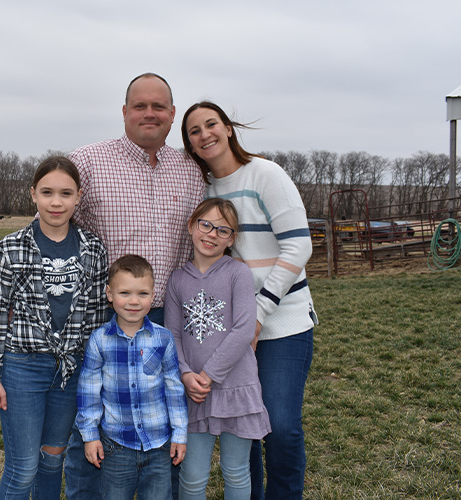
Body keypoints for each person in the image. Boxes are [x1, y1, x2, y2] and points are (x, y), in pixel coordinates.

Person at [64, 73, 205, 500]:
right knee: (89, 419)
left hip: (169, 316)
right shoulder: (87, 161)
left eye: (158, 107)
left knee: (166, 413)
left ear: (172, 114)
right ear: (124, 112)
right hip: (102, 314)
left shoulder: (191, 169)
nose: (149, 113)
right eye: (140, 106)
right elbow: (54, 222)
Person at [181, 102, 318, 500]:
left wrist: (258, 316)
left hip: (281, 321)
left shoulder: (266, 173)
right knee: (246, 426)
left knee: (281, 423)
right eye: (194, 131)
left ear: (227, 128)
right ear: (189, 144)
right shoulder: (203, 190)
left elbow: (298, 247)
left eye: (211, 124)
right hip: (229, 330)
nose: (204, 134)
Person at [0, 155, 109, 500]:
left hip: (71, 370)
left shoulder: (93, 249)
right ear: (32, 193)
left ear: (79, 197)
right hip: (23, 367)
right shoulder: (11, 248)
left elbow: (97, 318)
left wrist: (96, 372)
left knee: (53, 461)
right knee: (23, 469)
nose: (56, 202)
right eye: (47, 192)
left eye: (66, 193)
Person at [164, 198, 271, 500]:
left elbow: (243, 330)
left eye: (222, 230)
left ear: (232, 239)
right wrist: (186, 375)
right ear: (191, 226)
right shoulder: (177, 279)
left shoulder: (238, 273)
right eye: (206, 225)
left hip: (236, 388)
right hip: (195, 392)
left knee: (236, 470)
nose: (211, 234)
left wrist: (209, 374)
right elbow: (172, 334)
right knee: (193, 474)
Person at [76, 254, 188, 500]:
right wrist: (90, 436)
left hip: (159, 445)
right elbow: (89, 392)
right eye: (124, 293)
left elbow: (174, 389)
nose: (134, 301)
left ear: (153, 294)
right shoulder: (99, 340)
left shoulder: (164, 338)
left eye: (142, 294)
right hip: (116, 446)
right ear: (109, 293)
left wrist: (180, 433)